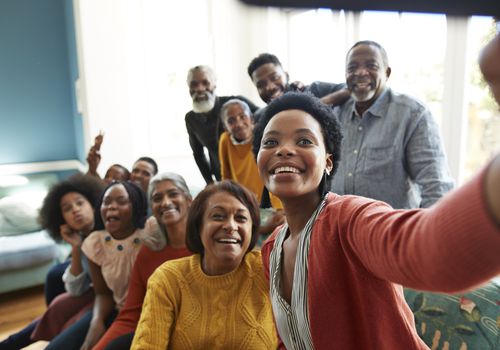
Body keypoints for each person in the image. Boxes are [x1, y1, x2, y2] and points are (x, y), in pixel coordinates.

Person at [252, 92, 500, 349]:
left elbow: (429, 250)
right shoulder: (272, 248)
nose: (283, 150)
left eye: (304, 140)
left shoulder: (351, 220)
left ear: (328, 162)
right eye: (270, 142)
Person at [131, 181, 279, 349]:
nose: (231, 226)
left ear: (252, 228)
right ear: (198, 225)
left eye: (241, 218)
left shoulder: (268, 268)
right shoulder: (168, 278)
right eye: (218, 216)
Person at [331, 40, 454, 208]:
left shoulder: (412, 114)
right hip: (340, 231)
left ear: (387, 73)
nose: (360, 72)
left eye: (371, 66)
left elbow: (437, 188)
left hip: (393, 232)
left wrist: (421, 233)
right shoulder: (335, 114)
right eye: (352, 68)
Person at [0, 174, 105, 350]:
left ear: (92, 204)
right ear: (61, 218)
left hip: (109, 299)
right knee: (57, 306)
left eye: (80, 203)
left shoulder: (110, 232)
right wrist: (76, 247)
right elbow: (76, 290)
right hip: (94, 294)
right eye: (67, 208)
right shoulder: (81, 241)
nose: (75, 210)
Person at [92, 173, 193, 350]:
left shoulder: (207, 247)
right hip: (154, 333)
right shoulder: (149, 251)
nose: (166, 202)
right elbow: (131, 314)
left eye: (173, 194)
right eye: (157, 198)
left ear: (188, 200)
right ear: (152, 208)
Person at [45, 181, 148, 350]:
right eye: (106, 202)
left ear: (135, 206)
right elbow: (102, 293)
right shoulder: (95, 243)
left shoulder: (150, 236)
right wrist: (96, 322)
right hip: (116, 309)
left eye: (121, 201)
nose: (111, 207)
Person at [185, 65, 259, 185]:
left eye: (205, 82)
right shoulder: (191, 119)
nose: (199, 88)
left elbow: (265, 115)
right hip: (223, 179)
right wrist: (209, 182)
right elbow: (198, 154)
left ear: (214, 84)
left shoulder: (236, 104)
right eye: (194, 84)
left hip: (251, 173)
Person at [247, 53, 350, 120]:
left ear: (286, 76)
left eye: (274, 78)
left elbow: (349, 89)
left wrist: (312, 107)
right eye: (261, 85)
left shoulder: (314, 90)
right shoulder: (261, 117)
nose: (269, 87)